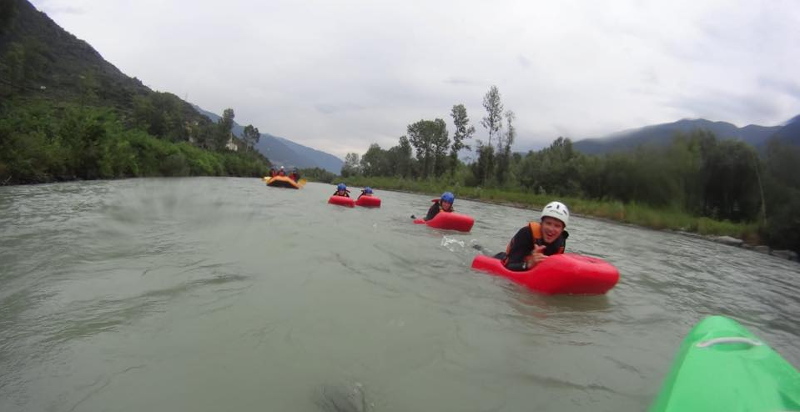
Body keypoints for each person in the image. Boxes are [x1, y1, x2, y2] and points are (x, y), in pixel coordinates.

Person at [494, 201, 570, 271]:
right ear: (541, 223)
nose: (551, 229)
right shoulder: (526, 233)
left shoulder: (561, 241)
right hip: (506, 261)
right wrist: (528, 264)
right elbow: (508, 266)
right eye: (548, 223)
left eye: (557, 226)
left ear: (562, 229)